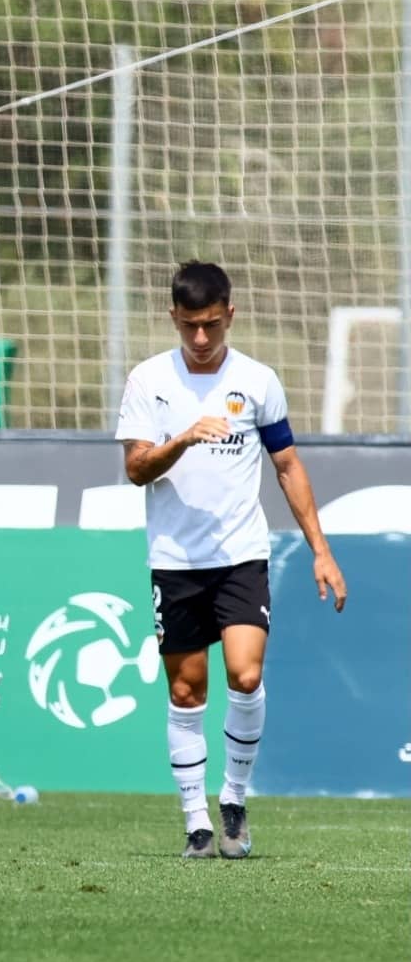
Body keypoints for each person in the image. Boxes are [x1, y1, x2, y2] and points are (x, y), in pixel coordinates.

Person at [115, 261, 346, 859]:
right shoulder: (148, 381)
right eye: (189, 326)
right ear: (173, 317)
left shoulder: (258, 381)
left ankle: (234, 802)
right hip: (175, 559)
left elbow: (288, 465)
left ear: (230, 315)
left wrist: (321, 551)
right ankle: (195, 820)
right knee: (188, 691)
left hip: (241, 554)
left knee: (245, 675)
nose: (200, 339)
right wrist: (183, 438)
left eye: (211, 325)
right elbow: (136, 468)